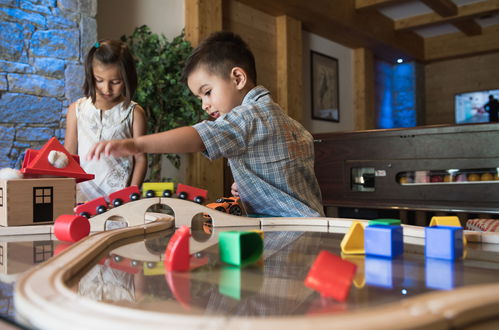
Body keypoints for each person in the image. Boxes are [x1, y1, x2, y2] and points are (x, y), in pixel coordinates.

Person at [86, 31, 324, 217]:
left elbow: (199, 136)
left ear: (238, 78)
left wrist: (136, 144)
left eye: (207, 92)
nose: (204, 105)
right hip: (313, 221)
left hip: (286, 228)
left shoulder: (247, 117)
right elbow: (285, 176)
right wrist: (251, 185)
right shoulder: (287, 122)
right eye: (200, 98)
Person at [65, 40, 147, 202]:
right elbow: (70, 156)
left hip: (119, 198)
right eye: (99, 80)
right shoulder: (76, 110)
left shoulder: (134, 113)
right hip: (81, 196)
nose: (106, 89)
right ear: (90, 76)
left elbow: (140, 159)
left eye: (116, 82)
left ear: (127, 78)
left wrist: (130, 195)